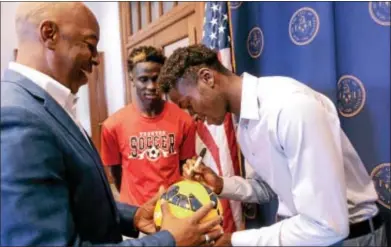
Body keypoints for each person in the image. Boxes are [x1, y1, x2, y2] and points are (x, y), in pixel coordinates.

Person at [0, 3, 223, 246]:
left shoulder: (48, 106)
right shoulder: (17, 116)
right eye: (90, 44)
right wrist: (169, 241)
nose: (96, 59)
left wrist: (132, 215)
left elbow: (77, 198)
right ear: (49, 34)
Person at [158, 44, 387, 246]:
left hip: (351, 239)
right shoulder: (244, 120)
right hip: (306, 236)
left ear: (207, 78)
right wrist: (220, 185)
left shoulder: (290, 107)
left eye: (188, 104)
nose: (193, 117)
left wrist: (234, 241)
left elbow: (327, 226)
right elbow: (269, 188)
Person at [100, 46, 196, 208]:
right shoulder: (113, 125)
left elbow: (185, 169)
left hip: (173, 209)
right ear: (132, 78)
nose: (151, 86)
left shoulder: (184, 120)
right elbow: (116, 174)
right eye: (143, 79)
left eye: (156, 78)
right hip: (134, 214)